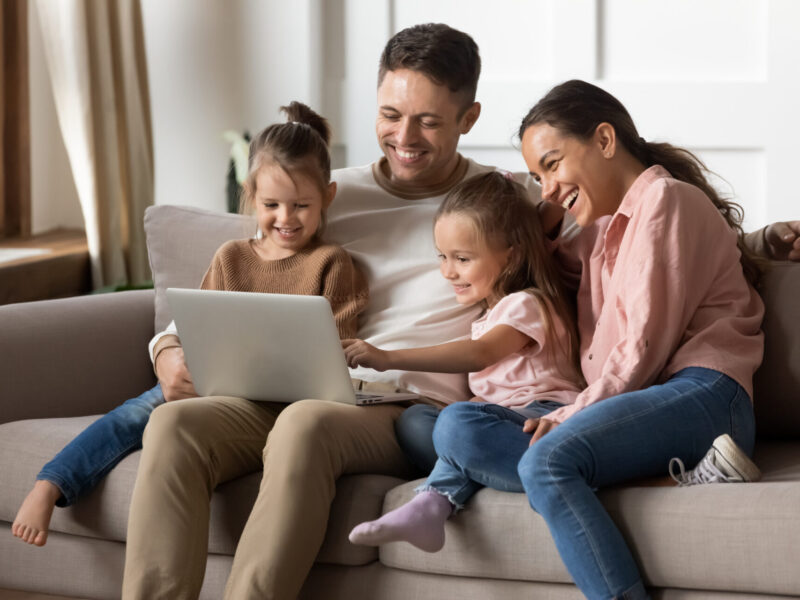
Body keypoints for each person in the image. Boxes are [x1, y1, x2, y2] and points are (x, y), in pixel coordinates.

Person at [402, 79, 766, 600]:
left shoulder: (666, 201)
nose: (546, 186)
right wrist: (548, 204)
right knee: (455, 427)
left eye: (552, 164)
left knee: (547, 460)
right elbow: (530, 263)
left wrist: (570, 417)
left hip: (707, 396)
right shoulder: (596, 231)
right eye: (535, 175)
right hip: (643, 406)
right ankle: (670, 479)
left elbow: (642, 348)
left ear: (604, 139)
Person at [10, 101, 367, 548]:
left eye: (301, 205)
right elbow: (196, 322)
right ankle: (51, 485)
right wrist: (173, 355)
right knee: (133, 414)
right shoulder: (231, 257)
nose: (285, 218)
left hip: (281, 404)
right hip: (212, 385)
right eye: (271, 204)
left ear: (327, 198)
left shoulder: (332, 263)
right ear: (250, 194)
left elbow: (336, 347)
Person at [340, 170, 584, 552]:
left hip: (542, 418)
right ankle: (449, 491)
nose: (448, 271)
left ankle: (437, 499)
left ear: (513, 255)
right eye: (442, 256)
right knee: (416, 421)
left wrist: (386, 357)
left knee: (456, 421)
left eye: (463, 258)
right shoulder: (488, 313)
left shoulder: (528, 304)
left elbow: (480, 353)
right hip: (501, 421)